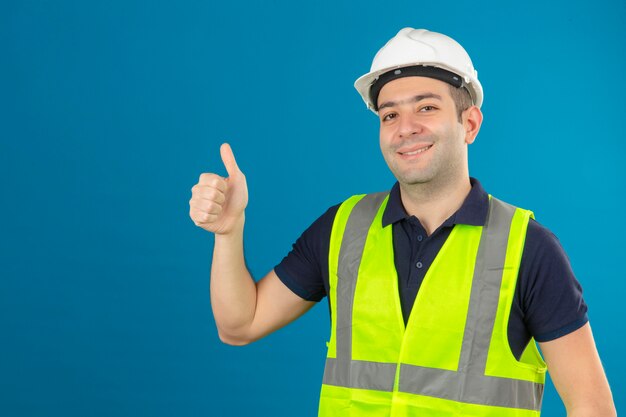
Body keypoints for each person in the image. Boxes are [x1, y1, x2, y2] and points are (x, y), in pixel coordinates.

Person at [189, 28, 616, 416]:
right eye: (389, 115)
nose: (404, 128)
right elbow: (239, 325)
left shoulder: (528, 249)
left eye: (426, 108)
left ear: (469, 124)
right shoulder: (343, 228)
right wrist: (230, 230)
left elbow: (592, 407)